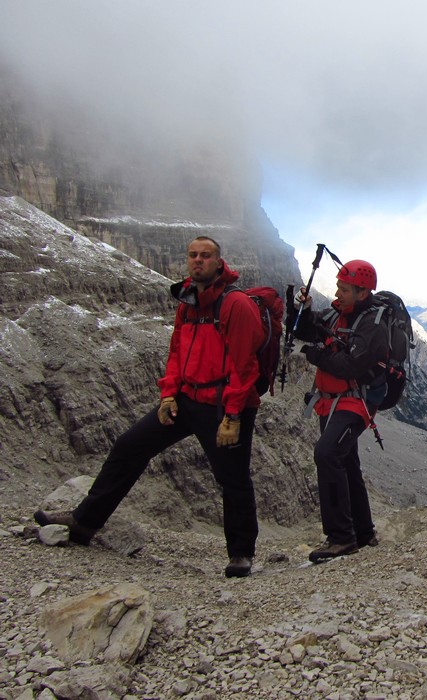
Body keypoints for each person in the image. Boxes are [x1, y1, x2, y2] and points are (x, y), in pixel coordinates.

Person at [35, 236, 265, 578]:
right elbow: (176, 353)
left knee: (232, 479)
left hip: (223, 406)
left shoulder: (236, 304)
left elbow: (245, 365)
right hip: (186, 399)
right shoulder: (188, 302)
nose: (197, 260)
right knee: (129, 446)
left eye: (205, 256)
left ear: (219, 263)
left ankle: (241, 554)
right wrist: (168, 394)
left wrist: (233, 414)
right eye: (192, 255)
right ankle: (84, 523)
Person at [295, 259, 388, 561]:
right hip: (331, 400)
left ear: (363, 293)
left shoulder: (373, 324)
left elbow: (351, 366)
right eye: (338, 287)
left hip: (356, 401)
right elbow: (306, 331)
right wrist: (303, 309)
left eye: (344, 289)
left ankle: (341, 538)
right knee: (345, 459)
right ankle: (363, 532)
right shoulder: (336, 313)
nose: (338, 293)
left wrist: (315, 355)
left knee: (327, 453)